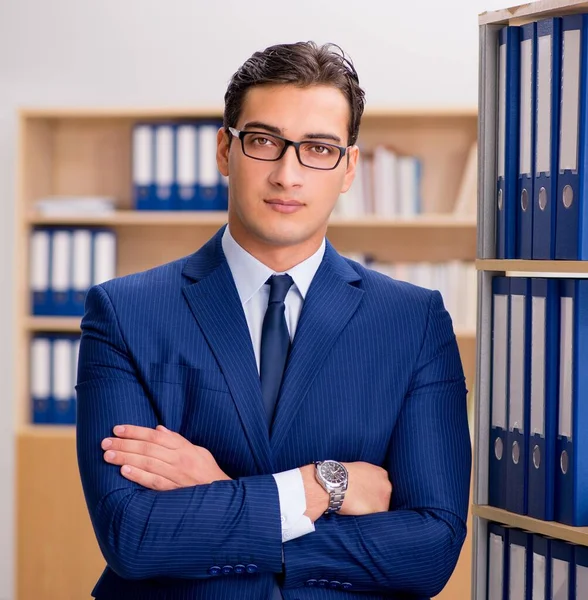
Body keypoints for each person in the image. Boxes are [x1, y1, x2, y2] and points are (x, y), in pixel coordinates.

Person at [76, 41, 472, 600]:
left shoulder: (414, 320)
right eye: (264, 142)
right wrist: (319, 487)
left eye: (318, 149)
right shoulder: (123, 312)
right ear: (224, 150)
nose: (288, 174)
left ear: (348, 168)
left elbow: (430, 549)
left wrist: (225, 495)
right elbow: (134, 535)